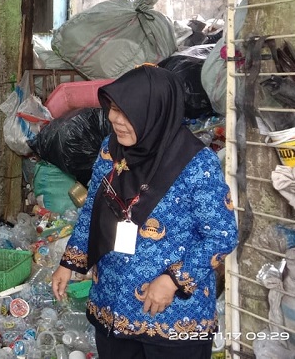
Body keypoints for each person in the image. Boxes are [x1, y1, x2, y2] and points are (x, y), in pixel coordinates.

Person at [51, 65, 238, 358]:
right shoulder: (110, 150)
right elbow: (93, 210)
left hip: (171, 315)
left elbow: (222, 235)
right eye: (112, 108)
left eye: (127, 112)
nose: (115, 120)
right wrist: (70, 262)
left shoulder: (195, 164)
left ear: (156, 113)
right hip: (112, 306)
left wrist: (173, 280)